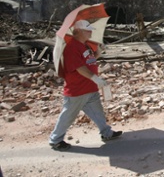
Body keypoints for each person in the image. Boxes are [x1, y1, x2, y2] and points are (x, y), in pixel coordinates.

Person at [49, 19, 122, 151]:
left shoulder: (85, 45)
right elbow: (79, 67)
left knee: (98, 111)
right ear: (78, 31)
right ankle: (55, 140)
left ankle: (106, 133)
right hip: (77, 90)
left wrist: (98, 52)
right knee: (68, 115)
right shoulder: (71, 47)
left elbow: (90, 60)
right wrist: (95, 78)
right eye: (87, 30)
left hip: (89, 88)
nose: (90, 33)